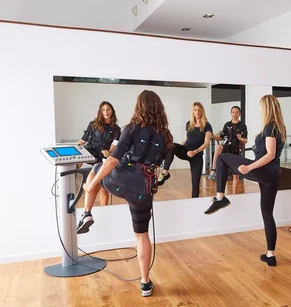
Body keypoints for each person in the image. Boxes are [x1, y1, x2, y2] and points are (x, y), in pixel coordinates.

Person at [76, 90, 172, 296]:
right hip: (142, 190)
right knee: (141, 235)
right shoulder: (166, 136)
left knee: (96, 169)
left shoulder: (131, 128)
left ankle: (86, 213)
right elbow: (159, 164)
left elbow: (112, 161)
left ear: (139, 106)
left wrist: (92, 185)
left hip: (119, 182)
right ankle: (145, 283)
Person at [204, 95, 286, 267]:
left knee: (222, 158)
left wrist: (249, 168)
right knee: (267, 213)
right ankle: (270, 255)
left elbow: (270, 154)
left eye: (261, 107)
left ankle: (220, 197)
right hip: (274, 175)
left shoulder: (270, 127)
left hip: (264, 171)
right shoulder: (279, 127)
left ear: (267, 108)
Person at [158, 102, 212, 198]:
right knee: (172, 146)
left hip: (196, 155)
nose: (197, 112)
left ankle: (194, 202)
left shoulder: (207, 125)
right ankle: (165, 173)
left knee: (195, 183)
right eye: (195, 110)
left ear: (202, 111)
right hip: (186, 151)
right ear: (193, 111)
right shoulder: (189, 124)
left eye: (199, 110)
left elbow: (206, 143)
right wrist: (178, 147)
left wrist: (195, 152)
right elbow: (185, 139)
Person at [77, 101, 121, 206]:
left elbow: (115, 144)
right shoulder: (93, 124)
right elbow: (83, 140)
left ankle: (104, 208)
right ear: (100, 111)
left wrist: (109, 152)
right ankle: (71, 178)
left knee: (104, 188)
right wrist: (76, 149)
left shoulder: (116, 129)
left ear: (112, 111)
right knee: (77, 160)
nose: (106, 112)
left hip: (104, 158)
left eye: (108, 109)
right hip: (91, 152)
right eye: (103, 110)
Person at [209, 106, 248, 194]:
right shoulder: (227, 125)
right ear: (231, 113)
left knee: (236, 176)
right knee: (219, 147)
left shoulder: (242, 126)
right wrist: (213, 136)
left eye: (237, 112)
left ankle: (234, 194)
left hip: (236, 150)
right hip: (228, 147)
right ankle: (213, 169)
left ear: (239, 114)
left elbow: (245, 140)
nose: (235, 114)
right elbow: (221, 137)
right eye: (233, 112)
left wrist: (240, 138)